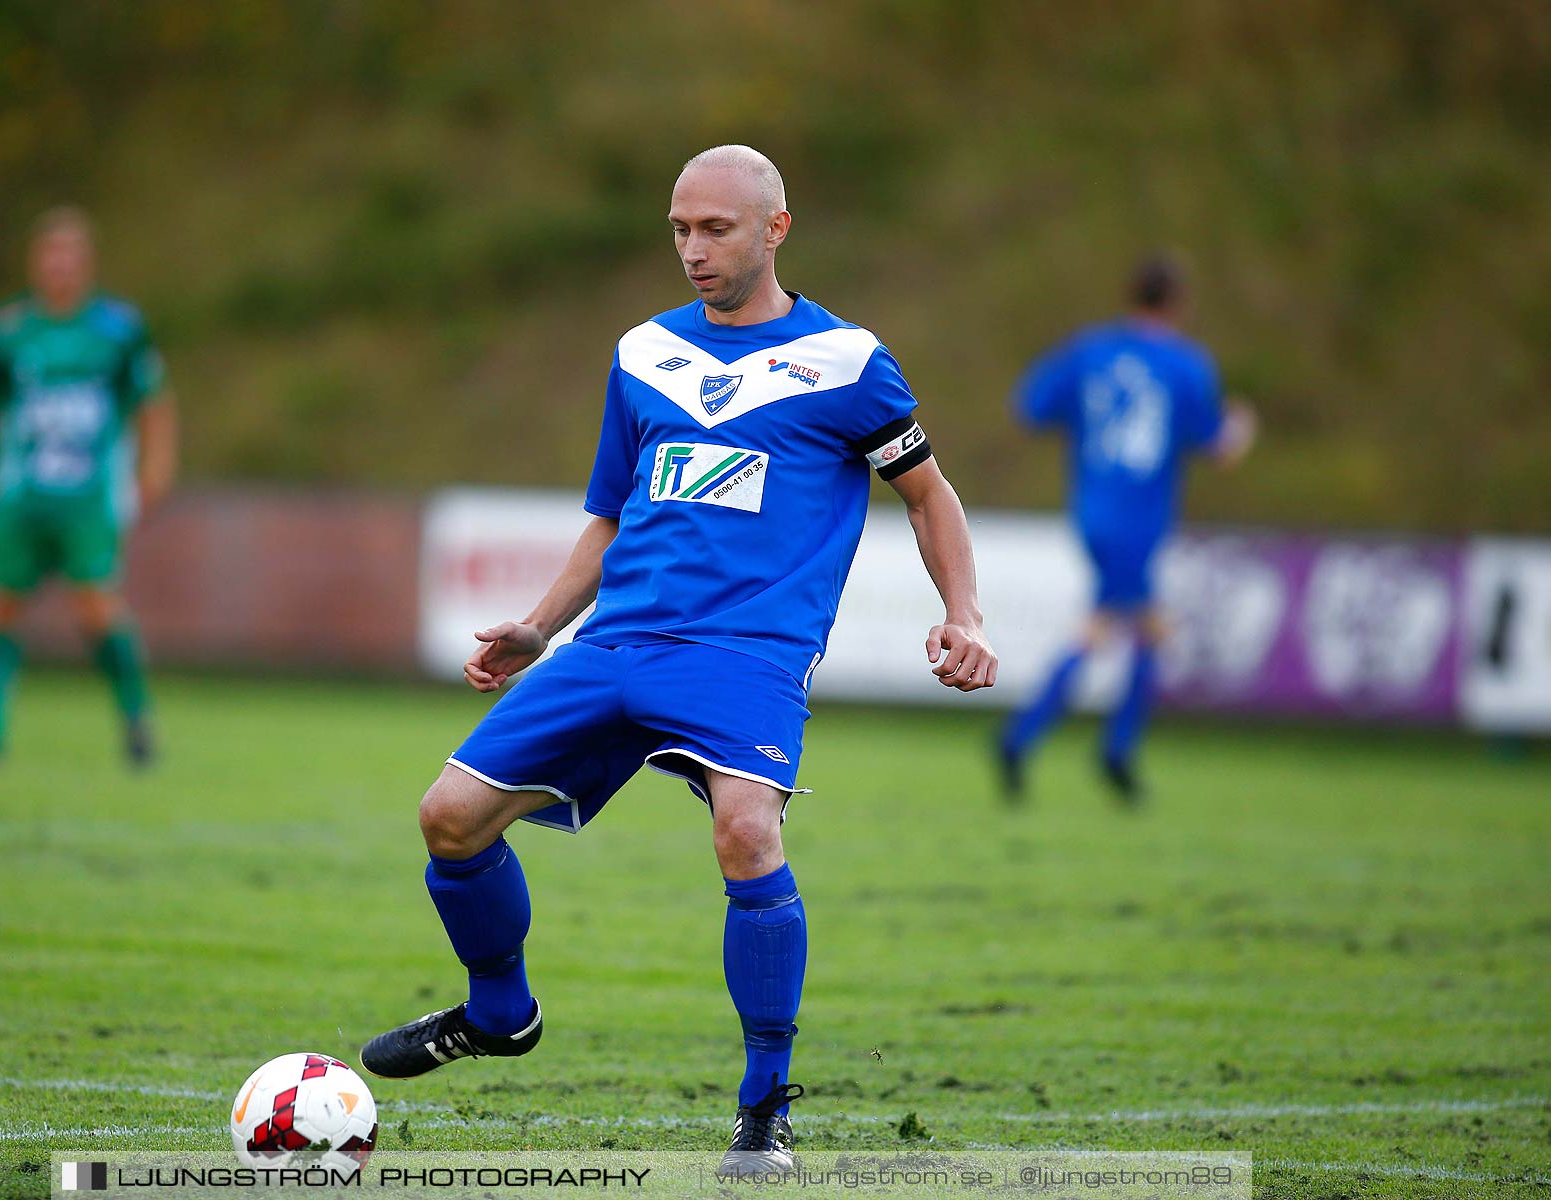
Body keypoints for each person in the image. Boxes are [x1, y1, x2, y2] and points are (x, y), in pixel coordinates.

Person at [357, 146, 997, 1176]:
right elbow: (611, 514)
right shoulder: (644, 353)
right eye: (679, 230)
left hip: (746, 651)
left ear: (776, 229)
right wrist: (539, 624)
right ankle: (499, 1013)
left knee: (748, 831)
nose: (693, 251)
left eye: (717, 230)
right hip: (613, 641)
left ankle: (764, 1109)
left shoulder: (846, 362)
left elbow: (929, 495)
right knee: (448, 817)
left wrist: (964, 613)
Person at [997, 255, 1254, 803]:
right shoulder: (1186, 364)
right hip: (1139, 518)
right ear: (1178, 303)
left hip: (1091, 508)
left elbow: (1030, 407)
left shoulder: (1090, 349)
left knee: (1142, 627)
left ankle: (1098, 750)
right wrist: (1240, 427)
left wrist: (1086, 424)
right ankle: (1047, 742)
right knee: (1115, 628)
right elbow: (1217, 446)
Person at [0, 206, 176, 765]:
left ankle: (136, 721)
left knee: (98, 609)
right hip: (21, 495)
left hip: (89, 497)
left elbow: (153, 402)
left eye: (70, 257)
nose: (60, 268)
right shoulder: (5, 333)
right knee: (0, 606)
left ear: (87, 265)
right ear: (35, 263)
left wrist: (156, 468)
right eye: (51, 256)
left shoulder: (117, 329)